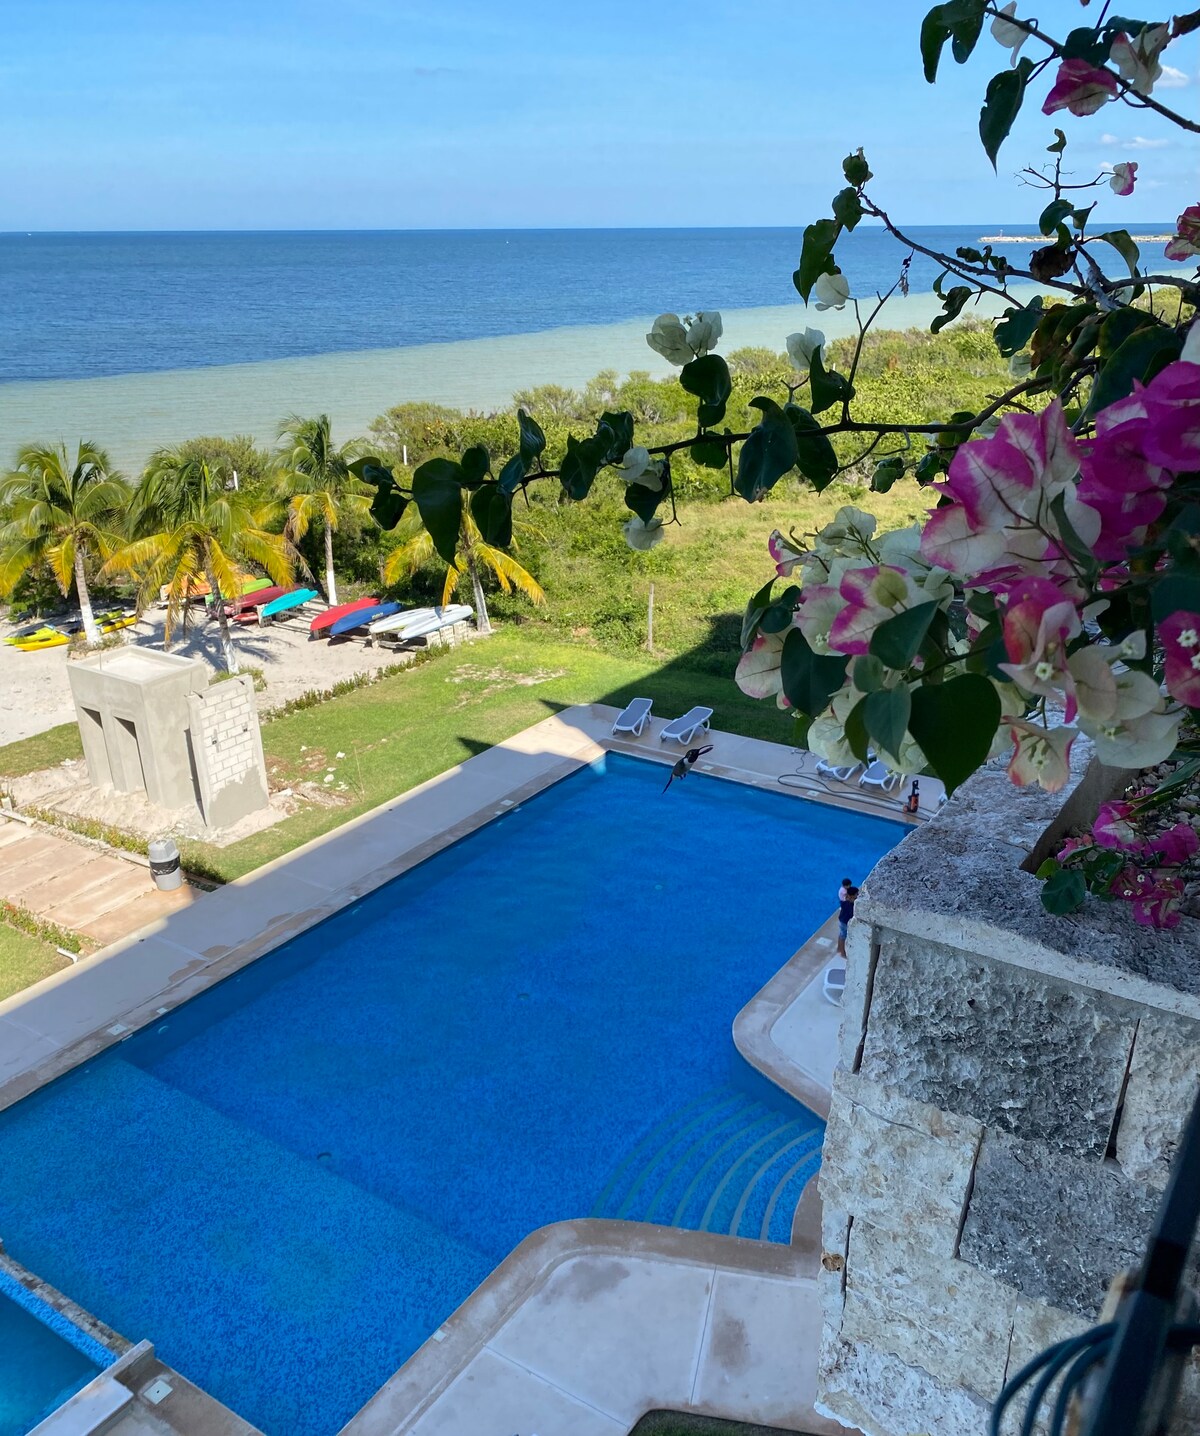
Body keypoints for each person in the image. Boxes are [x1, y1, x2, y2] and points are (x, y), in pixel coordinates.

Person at [837, 885, 859, 958]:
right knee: (843, 936)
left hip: (841, 920)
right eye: (856, 894)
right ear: (852, 896)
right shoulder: (852, 905)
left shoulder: (844, 902)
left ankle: (839, 949)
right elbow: (852, 915)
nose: (858, 895)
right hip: (845, 922)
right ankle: (842, 952)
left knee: (841, 935)